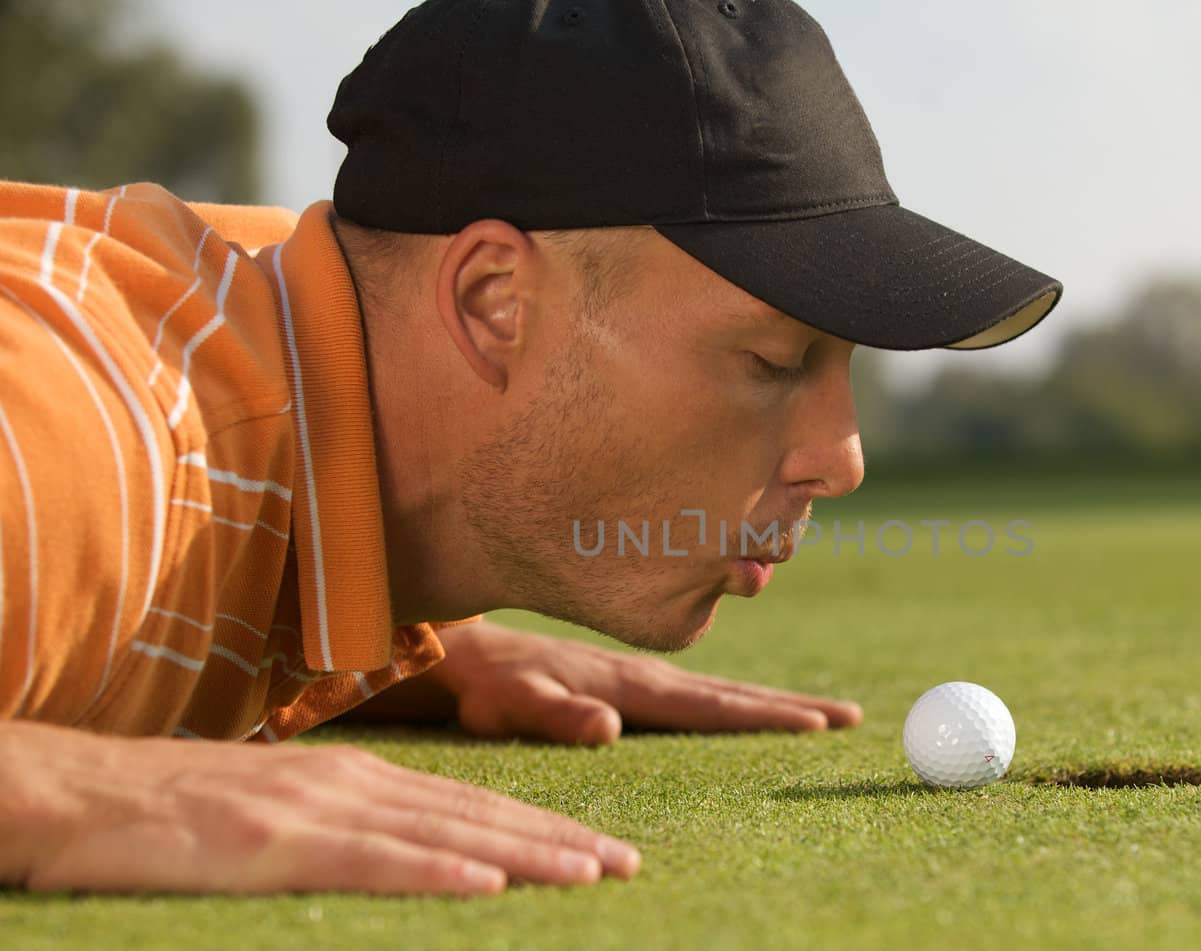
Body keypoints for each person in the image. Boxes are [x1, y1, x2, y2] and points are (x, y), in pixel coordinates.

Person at [0, 0, 1060, 896]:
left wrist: (389, 631)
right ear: (494, 300)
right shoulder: (96, 445)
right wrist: (75, 793)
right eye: (773, 361)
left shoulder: (269, 324)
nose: (841, 457)